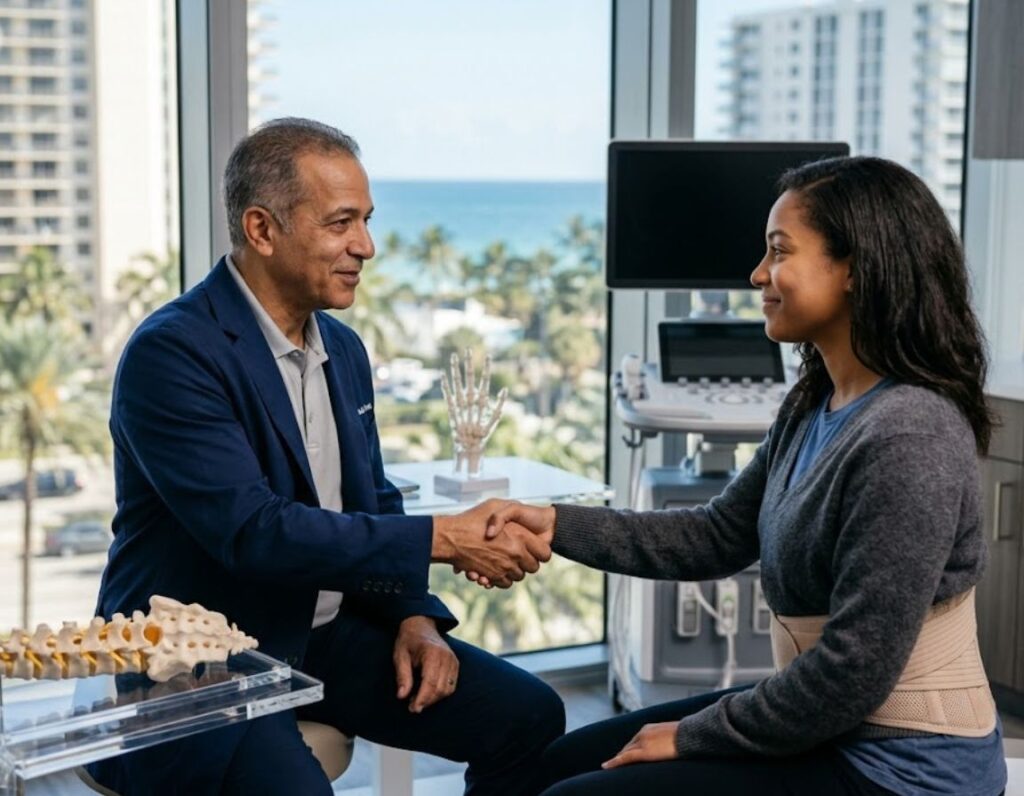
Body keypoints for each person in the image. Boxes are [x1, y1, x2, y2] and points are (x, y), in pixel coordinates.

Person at [484, 156, 1009, 795]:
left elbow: (852, 673)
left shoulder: (910, 435)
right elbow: (718, 534)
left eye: (779, 251)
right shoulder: (815, 400)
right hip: (829, 727)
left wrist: (689, 735)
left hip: (901, 769)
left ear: (855, 270)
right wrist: (557, 524)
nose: (758, 274)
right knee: (536, 770)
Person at [87, 117, 563, 796]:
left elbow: (372, 497)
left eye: (366, 221)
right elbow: (254, 532)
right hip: (203, 661)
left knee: (528, 718)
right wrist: (445, 539)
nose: (365, 246)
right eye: (342, 223)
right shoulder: (173, 353)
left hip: (325, 639)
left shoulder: (343, 349)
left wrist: (414, 618)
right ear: (262, 230)